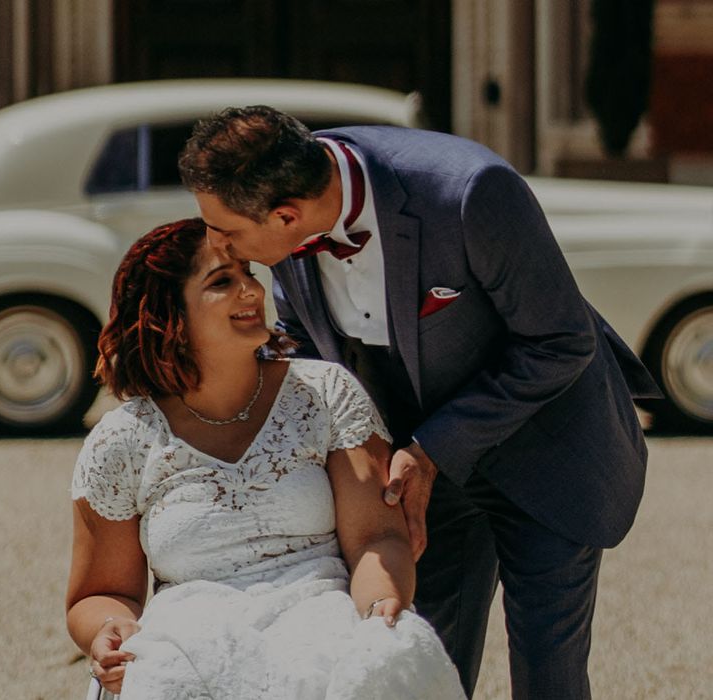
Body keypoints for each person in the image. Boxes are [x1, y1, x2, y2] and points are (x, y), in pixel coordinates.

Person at [177, 107, 664, 699]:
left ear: (287, 216)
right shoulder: (290, 219)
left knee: (546, 671)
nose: (217, 244)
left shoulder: (468, 193)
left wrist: (434, 447)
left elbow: (561, 342)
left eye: (224, 230)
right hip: (414, 465)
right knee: (417, 656)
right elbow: (310, 350)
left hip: (546, 444)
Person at [66, 218, 465, 699]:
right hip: (190, 638)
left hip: (321, 618)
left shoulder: (325, 392)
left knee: (379, 667)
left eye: (248, 273)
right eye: (222, 281)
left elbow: (377, 537)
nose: (251, 290)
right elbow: (100, 592)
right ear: (167, 314)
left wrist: (381, 605)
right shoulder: (121, 440)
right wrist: (109, 628)